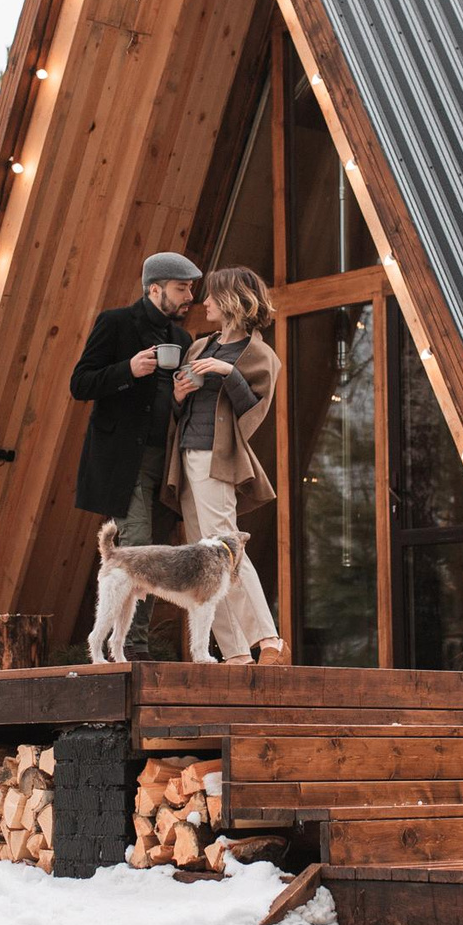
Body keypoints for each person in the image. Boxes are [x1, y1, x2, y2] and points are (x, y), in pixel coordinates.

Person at [163, 266, 286, 664]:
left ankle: (269, 640)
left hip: (216, 459)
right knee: (206, 560)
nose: (205, 302)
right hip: (186, 456)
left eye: (213, 296)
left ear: (233, 300)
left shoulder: (259, 355)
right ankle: (235, 654)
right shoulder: (199, 347)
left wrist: (229, 373)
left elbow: (253, 412)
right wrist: (178, 396)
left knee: (225, 547)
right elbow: (181, 411)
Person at [70, 248, 200, 562]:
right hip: (126, 458)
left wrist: (180, 396)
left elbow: (174, 403)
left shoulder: (182, 338)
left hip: (167, 461)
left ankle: (124, 598)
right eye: (181, 288)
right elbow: (80, 384)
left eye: (190, 288)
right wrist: (127, 369)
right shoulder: (115, 322)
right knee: (139, 548)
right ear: (155, 289)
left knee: (161, 554)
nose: (190, 296)